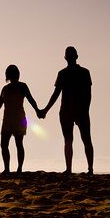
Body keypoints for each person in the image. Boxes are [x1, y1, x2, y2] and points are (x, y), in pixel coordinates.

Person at [39, 46, 94, 174]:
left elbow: (56, 94)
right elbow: (88, 94)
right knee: (83, 139)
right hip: (75, 111)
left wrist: (45, 110)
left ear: (65, 58)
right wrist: (85, 109)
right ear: (76, 56)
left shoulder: (65, 73)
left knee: (73, 140)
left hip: (69, 111)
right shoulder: (83, 72)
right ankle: (87, 168)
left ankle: (73, 169)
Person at [0, 65, 41, 175]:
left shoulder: (22, 86)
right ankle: (7, 169)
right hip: (7, 119)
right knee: (4, 144)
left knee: (18, 144)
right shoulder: (5, 89)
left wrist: (38, 110)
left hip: (19, 118)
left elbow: (31, 99)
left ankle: (19, 168)